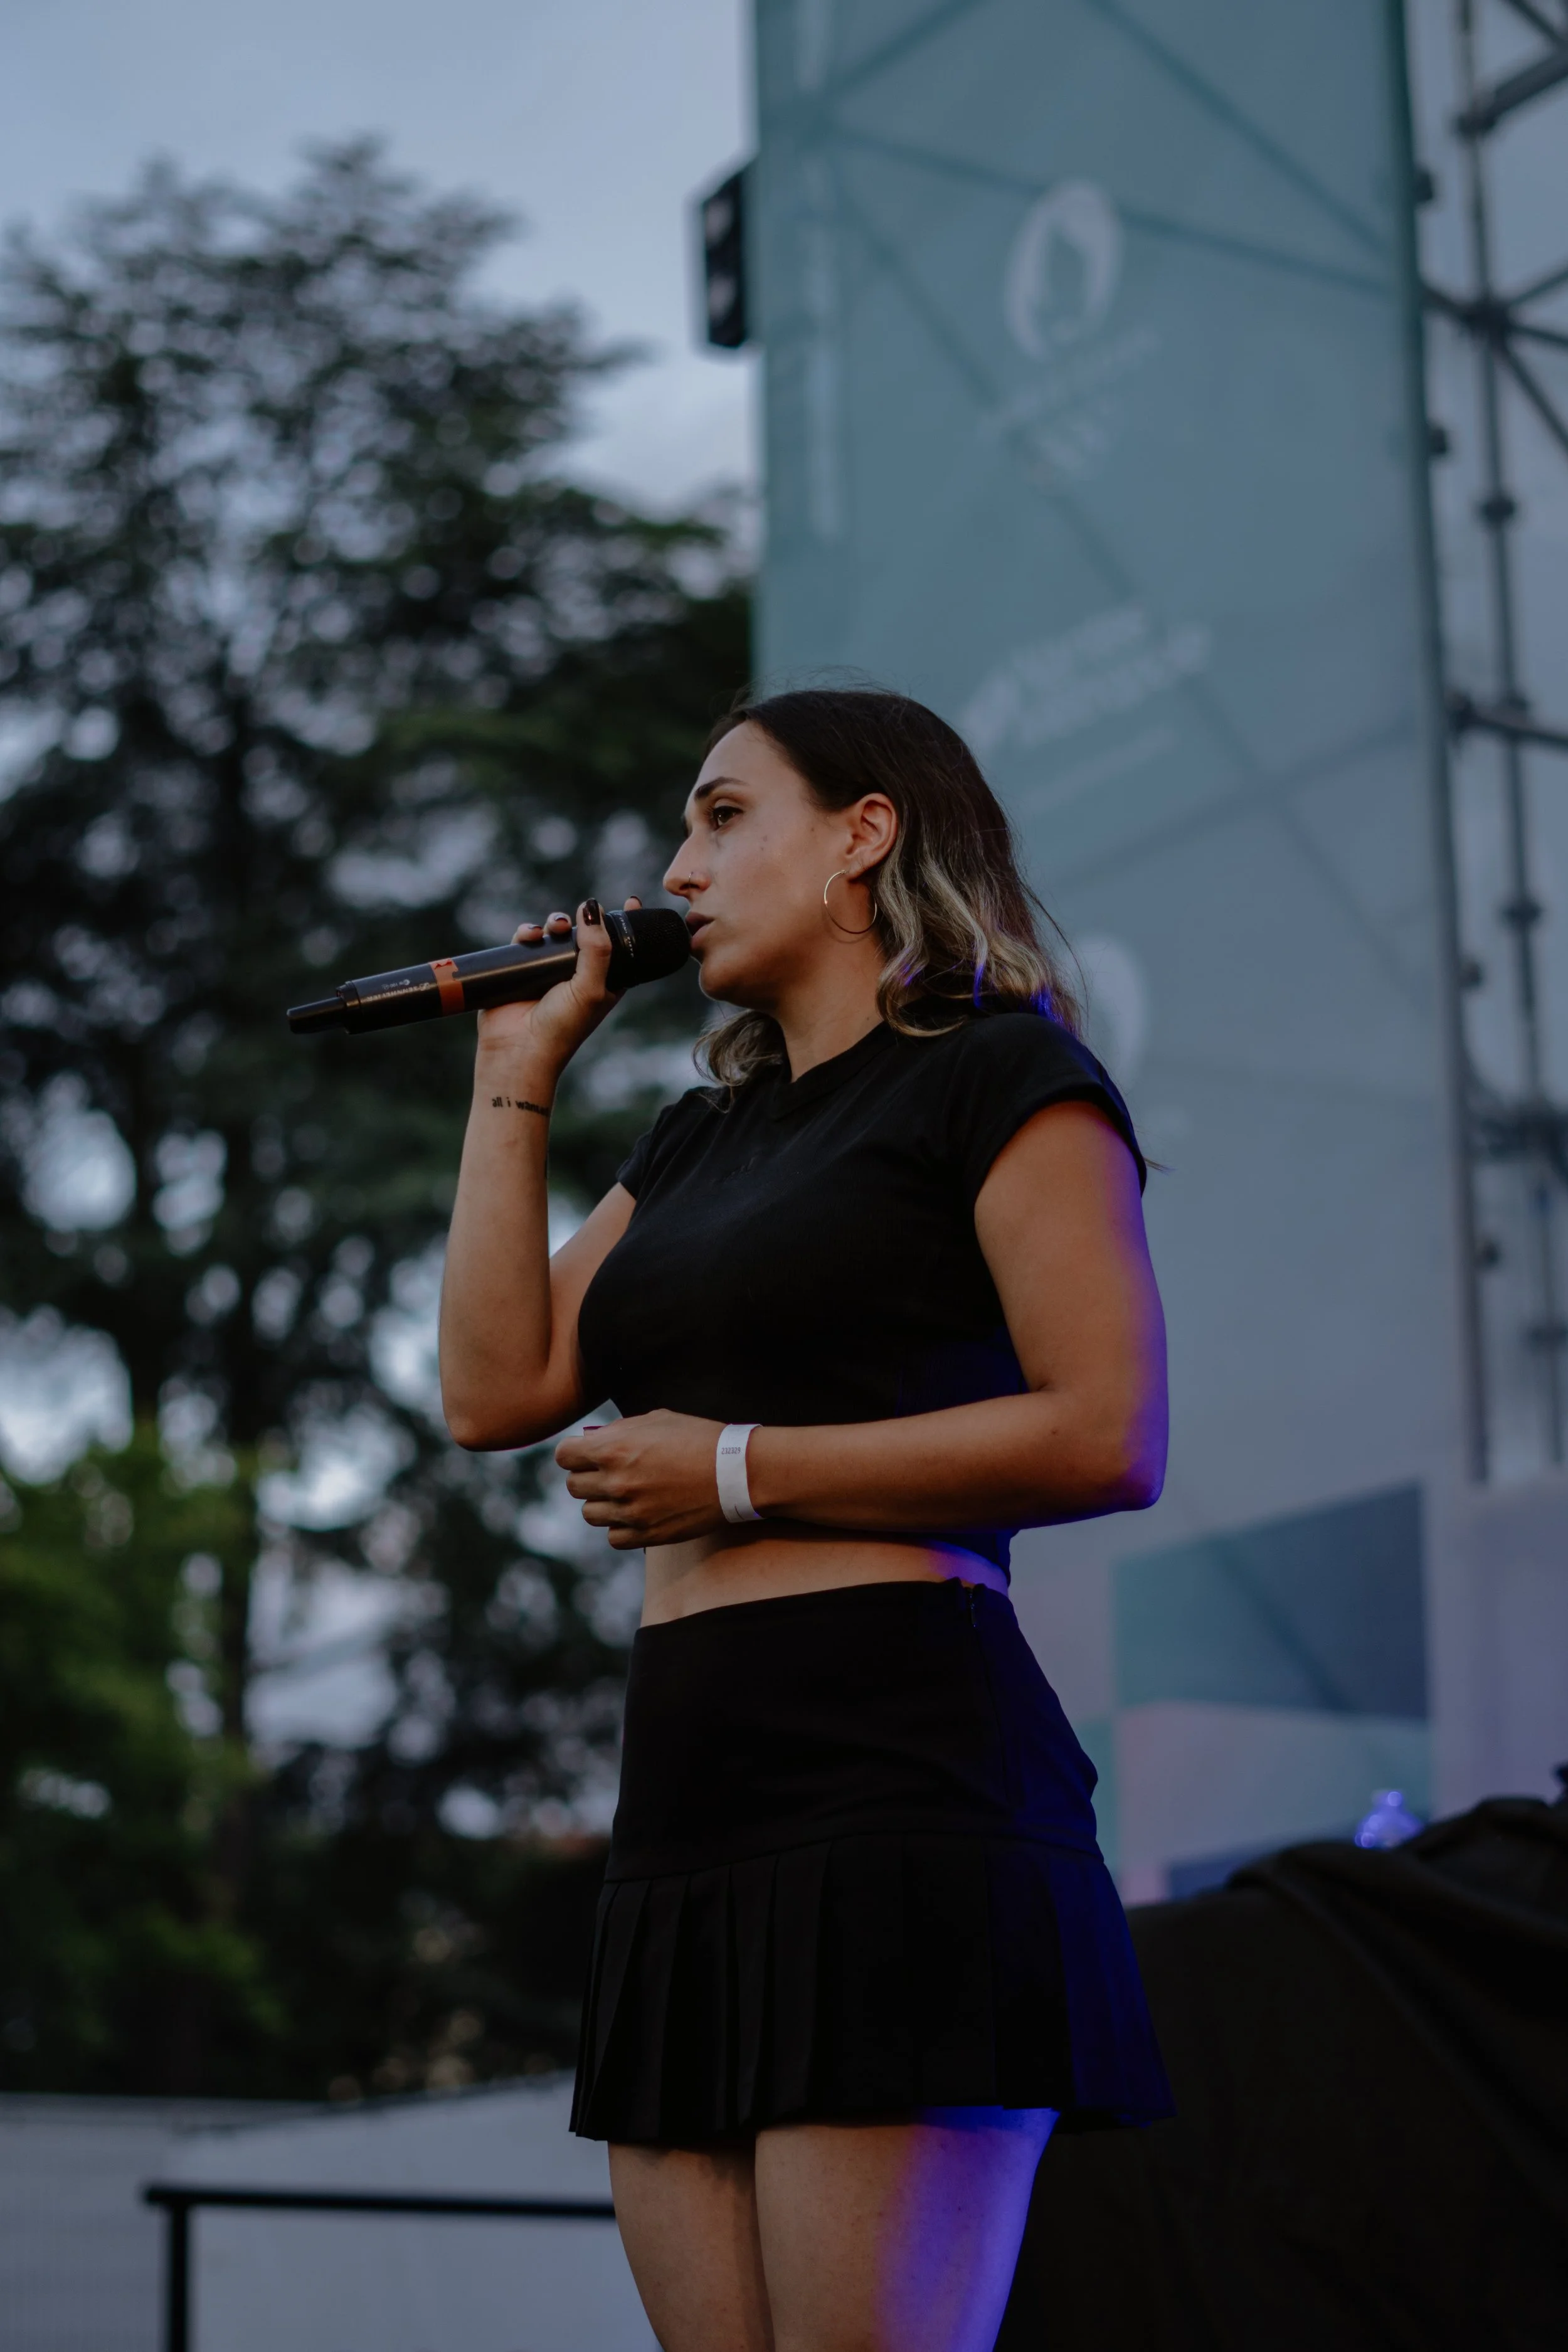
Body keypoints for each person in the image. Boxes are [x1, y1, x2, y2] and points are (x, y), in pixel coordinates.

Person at [439, 687, 1173, 2352]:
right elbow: (497, 1389)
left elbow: (1105, 1426)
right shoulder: (704, 1132)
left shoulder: (999, 1075)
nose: (675, 867)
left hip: (894, 1775)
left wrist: (740, 1469)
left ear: (862, 833)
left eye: (719, 815)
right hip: (689, 1800)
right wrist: (513, 1076)